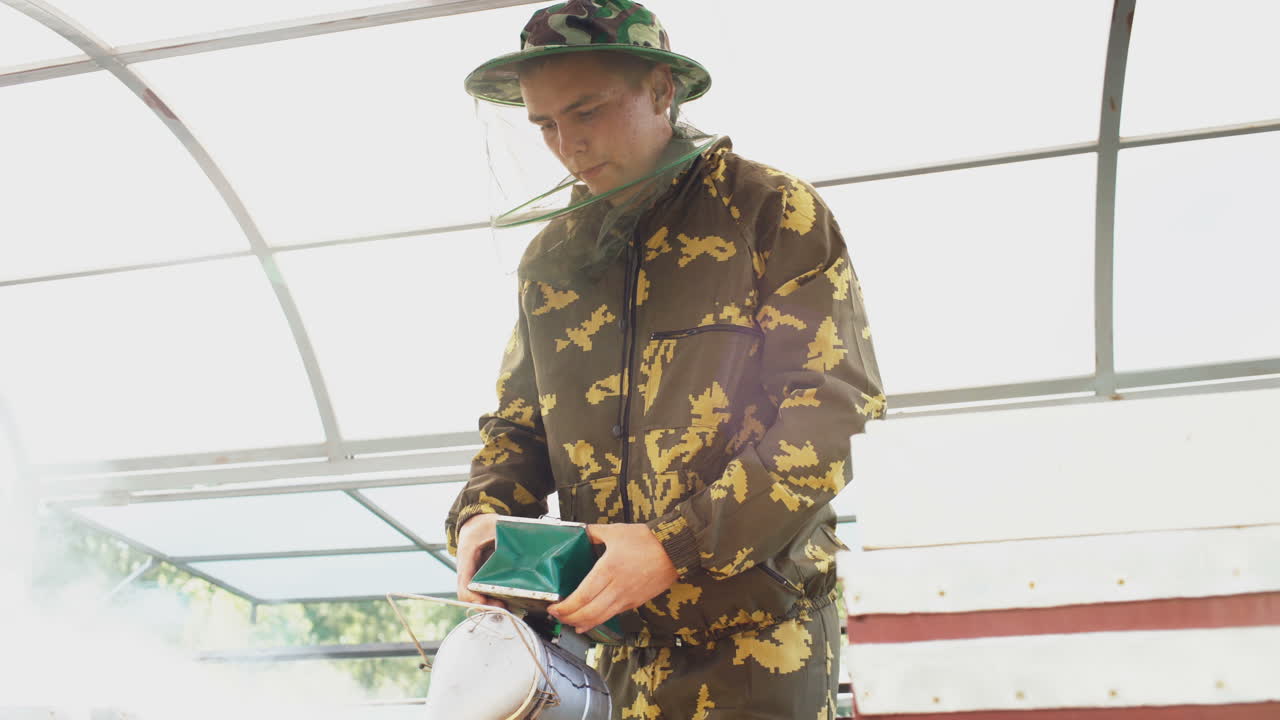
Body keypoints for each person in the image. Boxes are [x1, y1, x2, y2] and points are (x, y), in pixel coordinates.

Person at [444, 1, 885, 716]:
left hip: (759, 648)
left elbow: (831, 415)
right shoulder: (552, 258)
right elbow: (519, 428)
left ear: (661, 90)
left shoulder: (770, 212)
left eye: (587, 112)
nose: (568, 144)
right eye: (546, 124)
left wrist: (674, 545)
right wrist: (481, 515)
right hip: (612, 650)